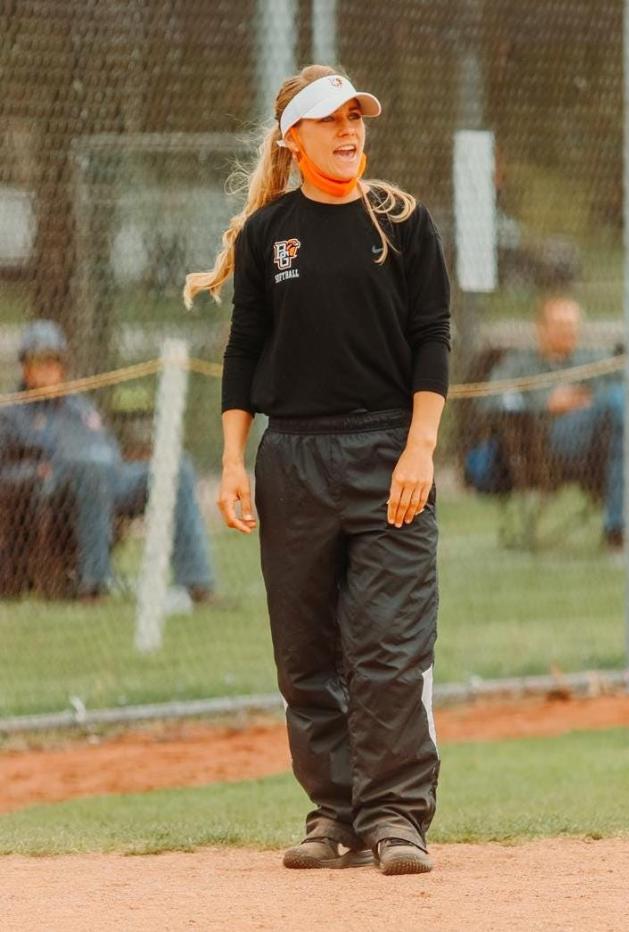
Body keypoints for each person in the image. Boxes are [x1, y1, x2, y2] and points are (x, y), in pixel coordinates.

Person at [184, 65, 450, 875]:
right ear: (292, 138)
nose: (348, 131)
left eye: (355, 118)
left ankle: (396, 818)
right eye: (328, 120)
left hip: (386, 454)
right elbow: (244, 351)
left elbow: (433, 335)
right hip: (292, 458)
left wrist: (421, 445)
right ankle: (334, 813)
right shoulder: (270, 234)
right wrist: (232, 462)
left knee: (389, 648)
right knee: (307, 651)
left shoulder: (400, 220)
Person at [0, 319, 214, 602]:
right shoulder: (12, 414)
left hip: (112, 481)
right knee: (92, 471)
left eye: (53, 361)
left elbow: (108, 450)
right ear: (25, 367)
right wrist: (38, 472)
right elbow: (5, 476)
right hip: (56, 493)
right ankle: (94, 585)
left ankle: (197, 582)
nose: (48, 369)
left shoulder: (80, 406)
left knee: (176, 467)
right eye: (39, 361)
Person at [480, 296, 625, 546]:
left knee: (622, 422)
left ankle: (618, 529)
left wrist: (586, 402)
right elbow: (489, 401)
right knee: (615, 403)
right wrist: (545, 402)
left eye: (572, 324)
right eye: (560, 324)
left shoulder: (592, 357)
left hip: (603, 442)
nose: (567, 331)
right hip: (547, 444)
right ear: (541, 328)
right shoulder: (520, 363)